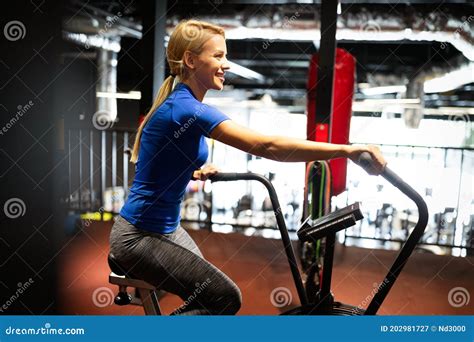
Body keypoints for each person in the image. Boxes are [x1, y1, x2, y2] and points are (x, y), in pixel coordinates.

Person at [109, 19, 387, 315]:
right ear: (191, 60)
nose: (226, 64)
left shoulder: (182, 103)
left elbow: (162, 161)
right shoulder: (187, 109)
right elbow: (266, 146)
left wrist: (195, 170)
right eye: (218, 56)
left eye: (225, 56)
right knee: (226, 298)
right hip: (139, 236)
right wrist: (347, 150)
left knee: (206, 295)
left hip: (164, 228)